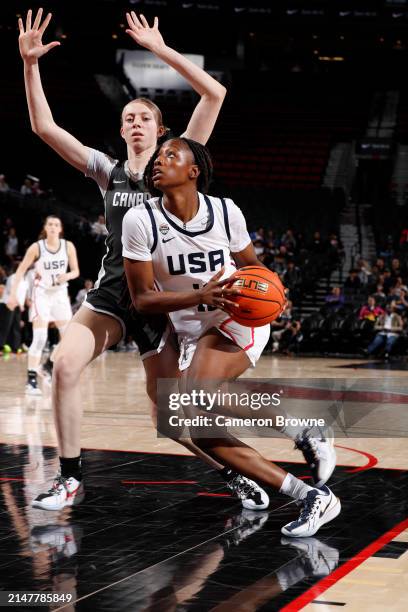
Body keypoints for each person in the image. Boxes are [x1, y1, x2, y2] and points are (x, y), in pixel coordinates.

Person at [19, 8, 270, 511]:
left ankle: (235, 472)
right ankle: (69, 477)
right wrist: (30, 64)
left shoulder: (176, 168)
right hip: (116, 295)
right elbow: (44, 127)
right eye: (128, 117)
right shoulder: (106, 170)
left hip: (164, 303)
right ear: (122, 129)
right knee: (65, 364)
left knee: (172, 418)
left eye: (145, 117)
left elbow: (214, 94)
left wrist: (160, 51)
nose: (135, 122)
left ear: (162, 130)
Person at [123, 137, 340, 537]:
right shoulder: (140, 220)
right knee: (192, 423)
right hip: (192, 328)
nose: (159, 161)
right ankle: (308, 496)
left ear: (194, 172)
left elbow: (253, 267)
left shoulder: (225, 212)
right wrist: (197, 295)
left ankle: (304, 428)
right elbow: (141, 299)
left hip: (235, 315)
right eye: (157, 156)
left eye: (171, 155)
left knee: (197, 397)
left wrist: (274, 291)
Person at [7, 215, 79, 395]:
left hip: (60, 294)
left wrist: (67, 276)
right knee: (40, 337)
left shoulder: (68, 246)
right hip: (42, 295)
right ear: (45, 228)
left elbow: (76, 271)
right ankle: (31, 380)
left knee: (69, 338)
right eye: (50, 224)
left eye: (56, 224)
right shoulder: (37, 247)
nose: (53, 227)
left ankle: (48, 366)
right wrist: (14, 295)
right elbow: (20, 271)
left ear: (60, 228)